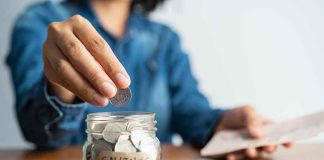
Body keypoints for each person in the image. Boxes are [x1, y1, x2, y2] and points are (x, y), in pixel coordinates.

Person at [6, 0, 291, 159]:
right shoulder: (39, 23)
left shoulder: (165, 40)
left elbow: (190, 112)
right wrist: (60, 86)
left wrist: (221, 123)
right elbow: (38, 133)